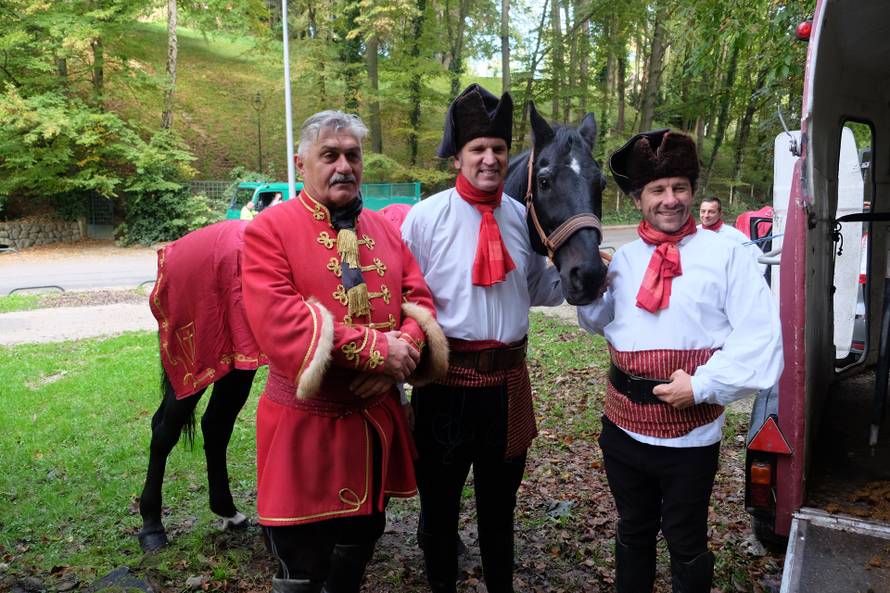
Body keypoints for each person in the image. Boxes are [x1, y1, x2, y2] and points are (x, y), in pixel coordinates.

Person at [240, 110, 449, 593]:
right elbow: (282, 321)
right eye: (329, 155)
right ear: (301, 164)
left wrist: (404, 352)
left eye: (352, 156)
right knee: (301, 565)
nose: (344, 166)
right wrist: (381, 353)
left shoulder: (385, 228)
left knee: (358, 548)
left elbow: (418, 302)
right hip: (305, 431)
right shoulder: (268, 230)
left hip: (373, 428)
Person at [577, 129, 783, 593]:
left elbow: (761, 338)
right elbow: (598, 323)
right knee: (633, 529)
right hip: (623, 430)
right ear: (637, 199)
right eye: (657, 190)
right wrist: (589, 290)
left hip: (691, 436)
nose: (670, 200)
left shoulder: (728, 253)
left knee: (685, 536)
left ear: (692, 190)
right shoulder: (624, 260)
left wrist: (703, 386)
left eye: (680, 188)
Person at [400, 83, 564, 593]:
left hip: (508, 388)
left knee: (501, 510)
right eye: (478, 149)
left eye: (498, 148)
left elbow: (542, 288)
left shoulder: (524, 218)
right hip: (444, 386)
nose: (490, 159)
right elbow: (405, 297)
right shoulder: (425, 219)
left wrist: (589, 270)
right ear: (458, 157)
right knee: (440, 513)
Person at [698, 195, 766, 274]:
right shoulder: (694, 233)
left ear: (720, 213)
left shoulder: (734, 235)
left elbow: (758, 258)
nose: (706, 215)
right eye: (703, 211)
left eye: (711, 212)